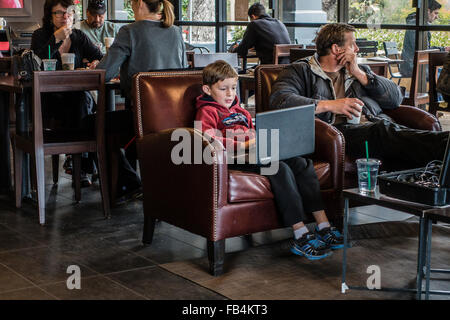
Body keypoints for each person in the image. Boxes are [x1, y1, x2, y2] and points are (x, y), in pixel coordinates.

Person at [195, 60, 344, 260]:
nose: (230, 94)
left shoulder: (242, 112)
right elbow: (205, 137)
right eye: (223, 89)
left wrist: (264, 138)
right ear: (207, 89)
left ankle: (324, 225)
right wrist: (242, 145)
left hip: (258, 152)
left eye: (233, 88)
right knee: (279, 168)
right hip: (235, 158)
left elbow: (254, 131)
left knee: (301, 163)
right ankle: (300, 234)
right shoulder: (207, 111)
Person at [270, 23, 449, 170]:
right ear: (336, 48)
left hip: (375, 127)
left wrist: (359, 73)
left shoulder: (358, 71)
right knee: (382, 131)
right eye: (353, 44)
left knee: (396, 138)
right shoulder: (300, 70)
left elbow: (395, 99)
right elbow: (280, 100)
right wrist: (332, 105)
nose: (357, 49)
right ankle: (445, 147)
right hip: (338, 132)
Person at [93, 0, 187, 202]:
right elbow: (182, 72)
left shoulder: (130, 31)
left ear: (141, 3)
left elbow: (104, 72)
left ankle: (128, 183)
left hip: (143, 119)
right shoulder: (175, 32)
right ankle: (138, 181)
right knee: (122, 124)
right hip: (175, 119)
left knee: (95, 124)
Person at [31, 0, 103, 186]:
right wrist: (55, 39)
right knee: (85, 103)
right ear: (50, 16)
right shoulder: (40, 35)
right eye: (60, 13)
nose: (66, 17)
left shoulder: (78, 36)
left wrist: (95, 63)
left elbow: (99, 57)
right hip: (50, 100)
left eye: (69, 13)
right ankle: (85, 164)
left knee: (82, 99)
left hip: (76, 97)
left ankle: (80, 162)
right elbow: (37, 60)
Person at [400, 0, 448, 77]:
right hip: (412, 67)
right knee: (446, 76)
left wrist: (443, 49)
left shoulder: (418, 24)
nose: (437, 17)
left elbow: (424, 48)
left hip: (417, 65)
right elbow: (423, 50)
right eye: (435, 13)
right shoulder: (417, 25)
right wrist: (442, 50)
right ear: (428, 11)